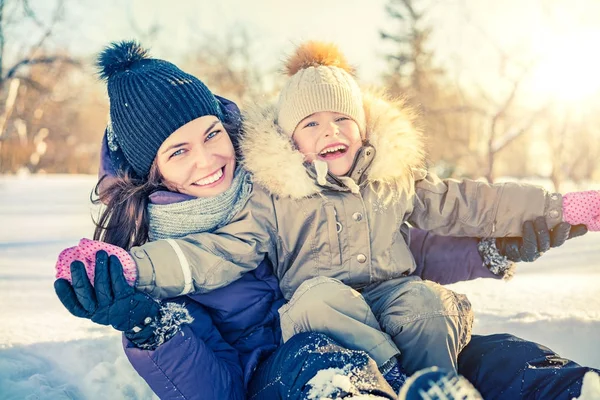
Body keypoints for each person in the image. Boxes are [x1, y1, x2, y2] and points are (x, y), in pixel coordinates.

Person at [54, 41, 596, 400]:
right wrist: (141, 306)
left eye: (212, 135)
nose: (207, 161)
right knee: (326, 360)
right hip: (292, 369)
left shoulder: (277, 174)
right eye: (178, 152)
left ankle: (571, 390)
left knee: (498, 357)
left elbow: (412, 243)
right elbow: (214, 378)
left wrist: (498, 247)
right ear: (152, 171)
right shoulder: (170, 249)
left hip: (389, 326)